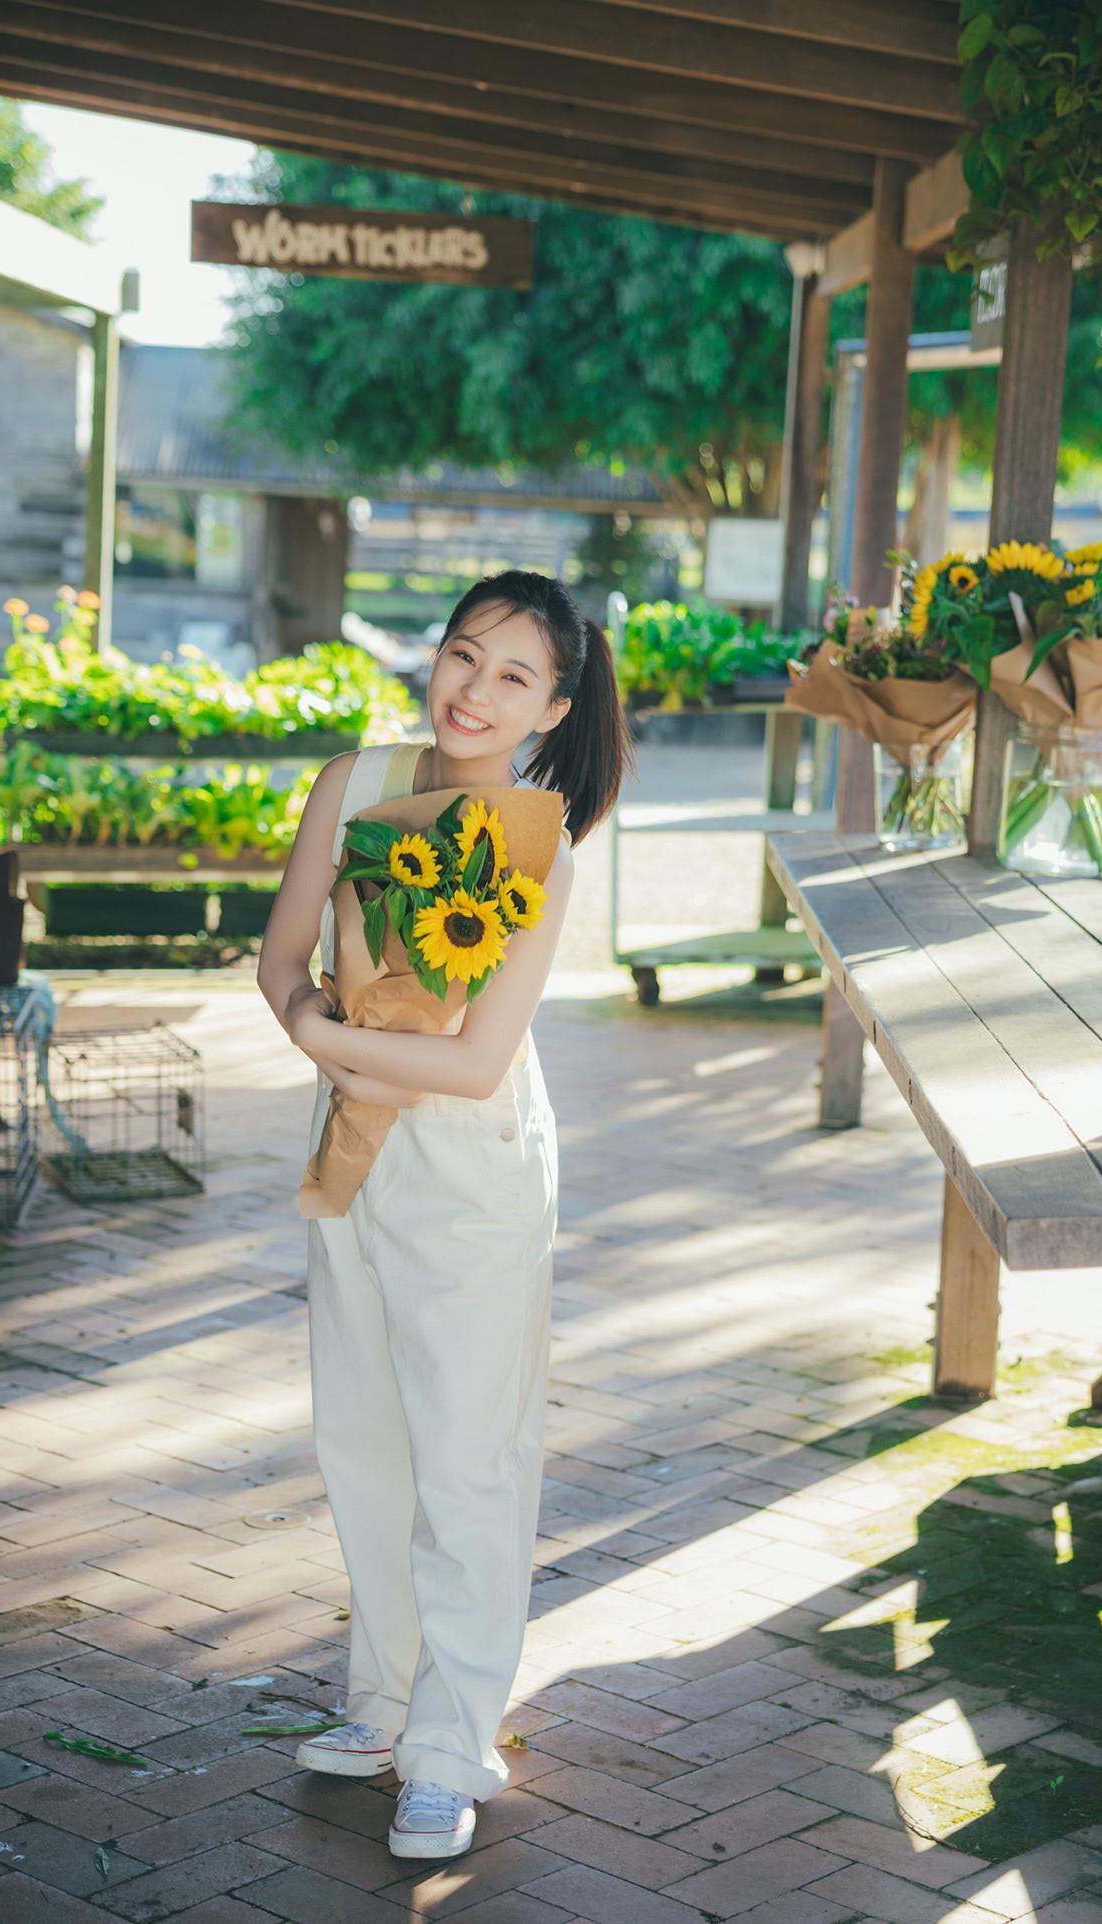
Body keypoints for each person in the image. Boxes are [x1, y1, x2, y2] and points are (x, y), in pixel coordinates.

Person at [256, 570, 633, 1860]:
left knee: (471, 1460)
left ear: (554, 706)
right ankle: (380, 1707)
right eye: (462, 656)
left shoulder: (542, 843)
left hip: (471, 1173)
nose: (474, 691)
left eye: (513, 676)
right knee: (364, 1439)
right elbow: (279, 958)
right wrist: (324, 1039)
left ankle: (448, 1744)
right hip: (355, 1154)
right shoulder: (352, 784)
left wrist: (342, 1046)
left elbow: (477, 1065)